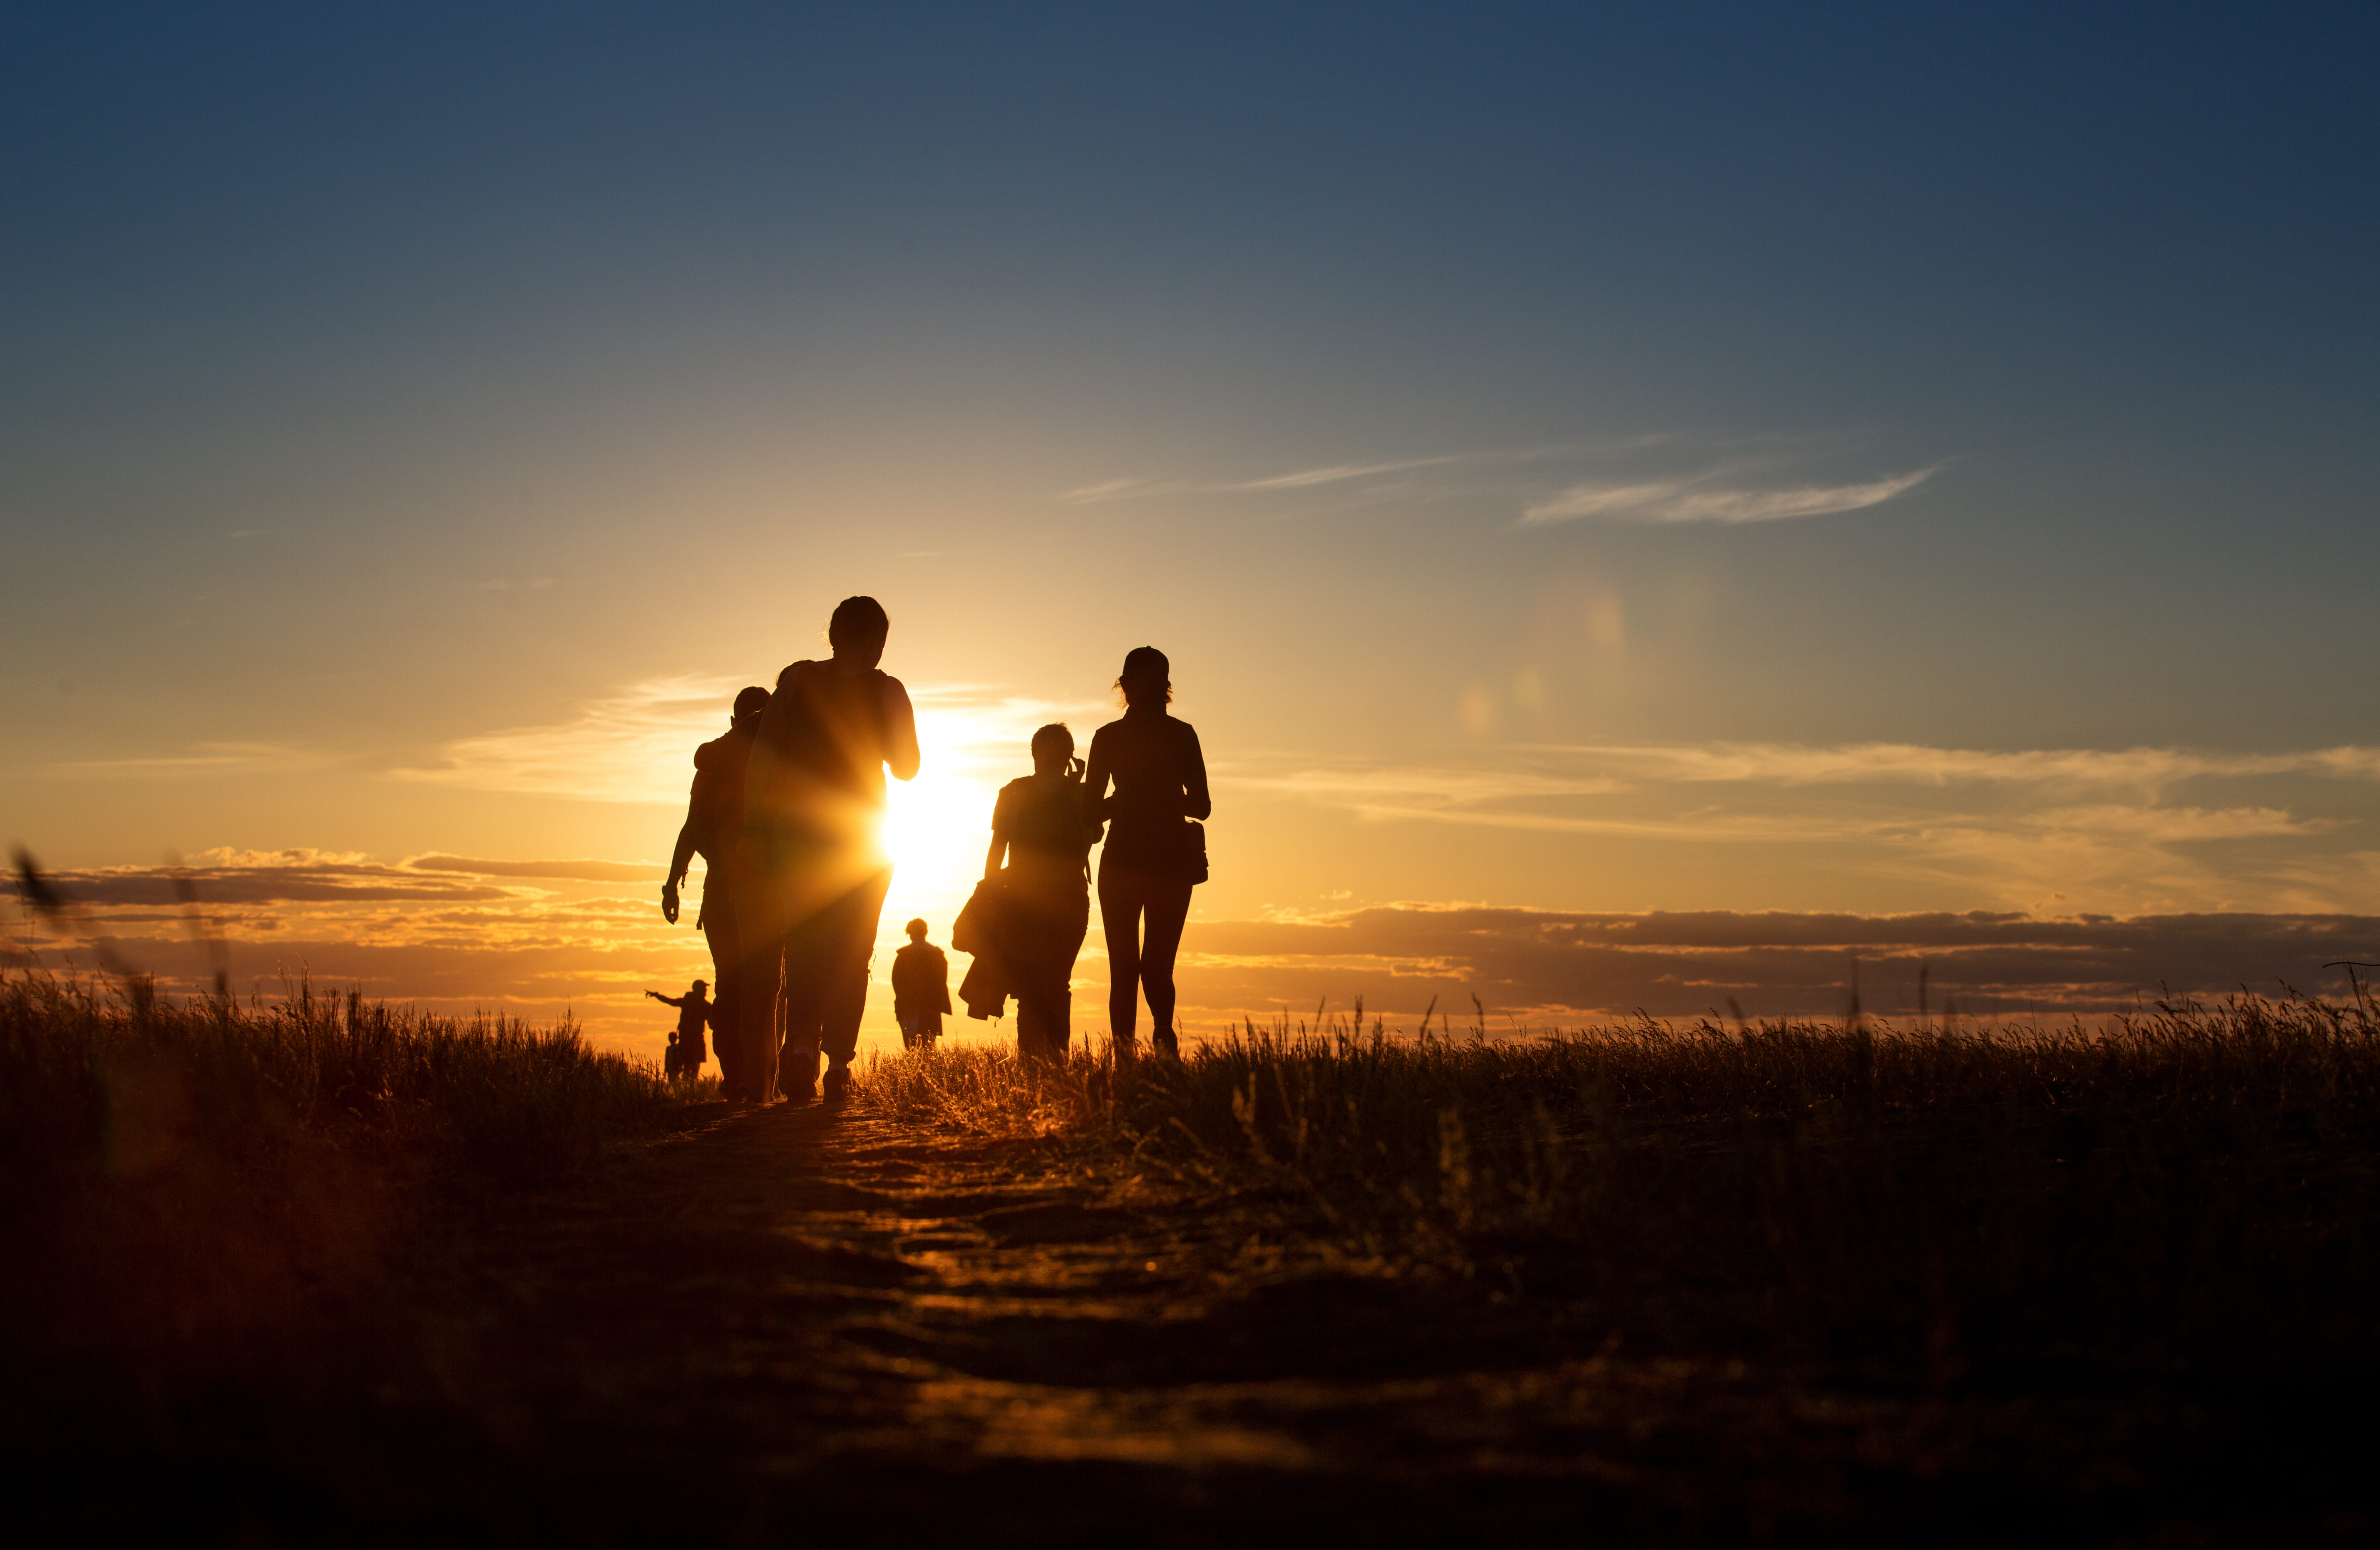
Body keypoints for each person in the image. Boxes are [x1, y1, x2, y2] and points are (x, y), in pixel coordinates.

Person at [744, 596, 920, 1102]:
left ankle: (800, 1050)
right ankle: (840, 1063)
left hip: (796, 831)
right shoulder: (887, 690)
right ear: (871, 641)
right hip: (862, 836)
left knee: (804, 939)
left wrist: (755, 827)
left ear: (832, 635)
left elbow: (764, 757)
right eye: (881, 640)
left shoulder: (796, 681)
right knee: (853, 947)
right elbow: (908, 766)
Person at [1085, 647, 1209, 1057]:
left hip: (1152, 861)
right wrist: (1135, 802)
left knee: (1143, 968)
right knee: (1139, 968)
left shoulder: (1158, 735)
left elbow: (1203, 805)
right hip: (1147, 861)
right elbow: (1090, 807)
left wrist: (1132, 802)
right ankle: (1140, 1051)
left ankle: (1154, 1043)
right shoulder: (1172, 734)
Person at [661, 685, 772, 1103]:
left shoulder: (713, 765)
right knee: (759, 982)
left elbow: (692, 827)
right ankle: (750, 1077)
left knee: (736, 980)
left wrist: (672, 883)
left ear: (733, 723)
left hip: (729, 891)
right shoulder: (780, 760)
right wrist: (672, 882)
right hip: (749, 891)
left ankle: (744, 1077)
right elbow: (693, 827)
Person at [984, 724, 1100, 1061]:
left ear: (1035, 753)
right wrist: (1081, 788)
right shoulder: (1078, 794)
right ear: (1069, 757)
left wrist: (991, 896)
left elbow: (996, 850)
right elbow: (1095, 836)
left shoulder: (1013, 792)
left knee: (1031, 985)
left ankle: (1032, 1061)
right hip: (1068, 899)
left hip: (1023, 901)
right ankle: (1054, 1060)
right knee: (1056, 983)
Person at [891, 918, 952, 1050]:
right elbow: (942, 981)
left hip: (908, 1007)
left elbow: (897, 982)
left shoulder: (903, 956)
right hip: (932, 1007)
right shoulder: (938, 955)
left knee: (912, 1048)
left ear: (910, 934)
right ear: (926, 932)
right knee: (929, 1048)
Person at [646, 980, 712, 1081]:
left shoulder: (693, 1003)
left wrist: (657, 996)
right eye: (704, 989)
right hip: (693, 1039)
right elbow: (712, 1024)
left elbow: (670, 1001)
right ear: (698, 990)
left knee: (691, 1066)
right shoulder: (704, 1005)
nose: (706, 991)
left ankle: (689, 1085)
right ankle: (689, 1086)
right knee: (692, 1066)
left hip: (689, 1039)